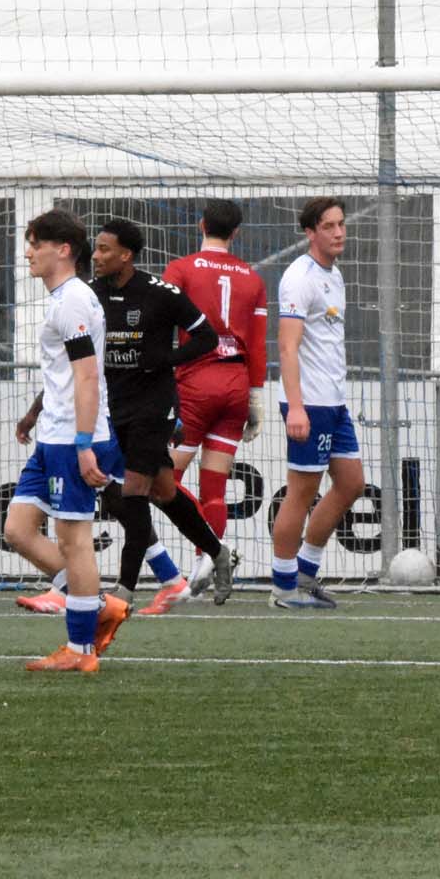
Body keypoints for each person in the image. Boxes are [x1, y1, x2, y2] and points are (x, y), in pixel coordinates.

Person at [87, 217, 235, 614]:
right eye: (96, 248)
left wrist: (167, 359)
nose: (96, 256)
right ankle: (218, 552)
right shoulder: (90, 294)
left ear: (126, 255)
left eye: (104, 249)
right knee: (164, 491)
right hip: (112, 404)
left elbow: (206, 337)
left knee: (133, 492)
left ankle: (124, 589)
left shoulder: (160, 292)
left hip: (154, 405)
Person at [1, 209, 128, 672]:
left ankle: (81, 649)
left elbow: (88, 376)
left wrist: (84, 442)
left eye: (36, 244)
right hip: (53, 436)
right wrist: (37, 416)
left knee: (74, 541)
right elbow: (65, 375)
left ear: (63, 250)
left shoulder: (72, 300)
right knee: (17, 529)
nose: (28, 253)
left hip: (72, 437)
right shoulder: (64, 299)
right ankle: (97, 605)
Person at [164, 198, 268, 600]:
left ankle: (212, 550)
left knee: (164, 480)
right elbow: (257, 344)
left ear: (201, 224)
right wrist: (254, 396)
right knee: (214, 489)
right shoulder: (252, 279)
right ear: (236, 232)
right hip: (236, 384)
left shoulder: (181, 269)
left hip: (195, 382)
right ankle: (204, 565)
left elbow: (162, 326)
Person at [272, 196, 364, 610]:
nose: (339, 232)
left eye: (341, 224)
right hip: (309, 403)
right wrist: (296, 407)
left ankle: (306, 573)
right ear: (310, 233)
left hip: (334, 403)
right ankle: (282, 588)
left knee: (351, 484)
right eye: (328, 226)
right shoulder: (299, 277)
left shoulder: (335, 275)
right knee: (300, 492)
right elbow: (287, 347)